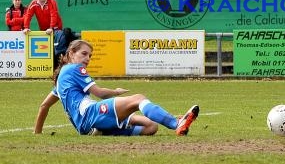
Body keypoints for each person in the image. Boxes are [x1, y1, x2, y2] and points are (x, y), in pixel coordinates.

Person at [33, 39, 199, 136]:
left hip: (86, 125)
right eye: (84, 54)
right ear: (71, 54)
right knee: (139, 98)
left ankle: (102, 132)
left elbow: (44, 105)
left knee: (151, 126)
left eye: (90, 56)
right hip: (91, 114)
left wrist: (37, 134)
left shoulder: (62, 79)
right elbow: (99, 93)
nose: (88, 58)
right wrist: (115, 92)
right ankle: (176, 123)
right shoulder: (74, 69)